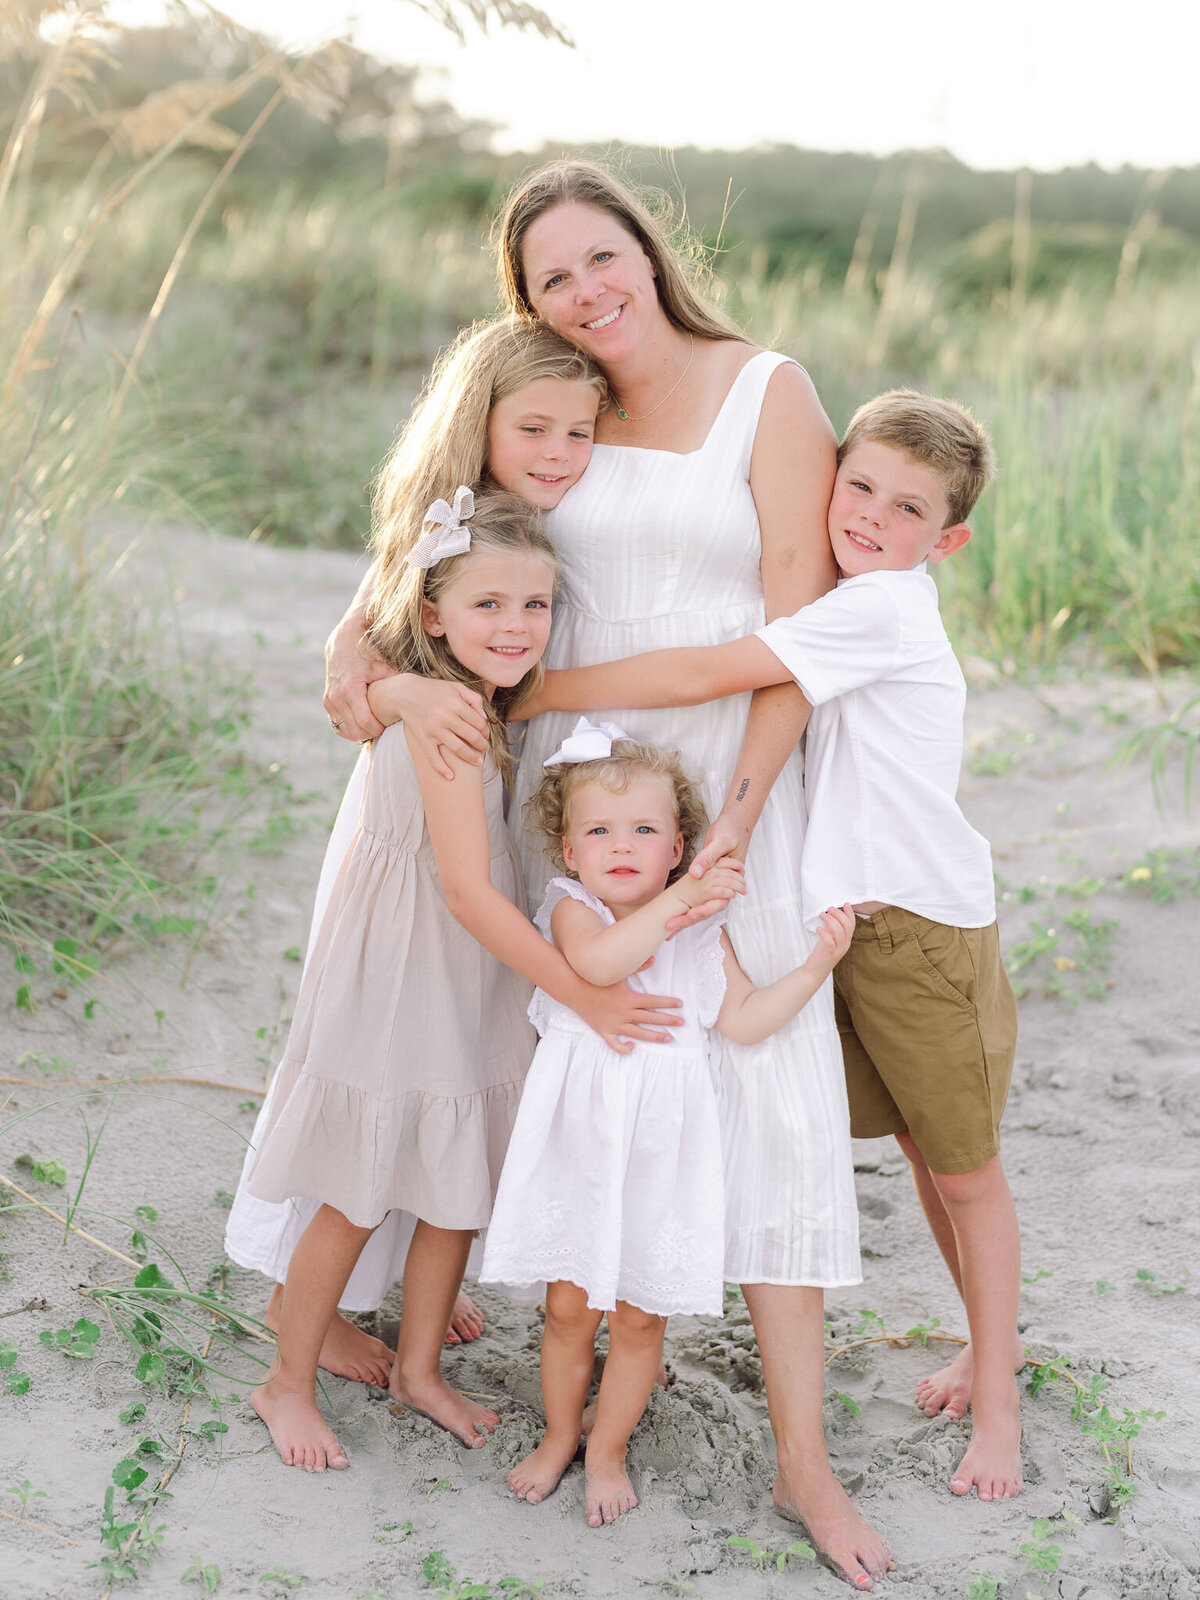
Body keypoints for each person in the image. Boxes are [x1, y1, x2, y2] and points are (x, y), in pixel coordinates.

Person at [326, 160, 892, 1592]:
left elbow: (800, 637)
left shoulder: (769, 391)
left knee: (763, 1096)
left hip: (725, 792)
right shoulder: (548, 410)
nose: (586, 292)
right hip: (568, 801)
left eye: (601, 257)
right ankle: (456, 1333)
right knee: (558, 1062)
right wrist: (360, 647)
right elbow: (436, 541)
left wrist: (742, 827)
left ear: (650, 248)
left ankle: (806, 1466)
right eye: (551, 279)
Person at [523, 389, 1024, 1504]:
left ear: (947, 540)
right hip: (851, 918)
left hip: (920, 924)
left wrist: (547, 691)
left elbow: (713, 673)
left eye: (908, 510)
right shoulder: (856, 592)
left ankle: (999, 1404)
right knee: (917, 1150)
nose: (871, 520)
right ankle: (984, 1349)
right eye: (860, 488)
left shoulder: (884, 603)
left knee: (967, 1171)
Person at [225, 317, 682, 1391]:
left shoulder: (486, 652)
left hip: (469, 933)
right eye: (535, 426)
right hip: (416, 934)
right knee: (367, 1154)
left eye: (580, 428)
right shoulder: (443, 691)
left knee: (451, 1144)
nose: (560, 449)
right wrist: (585, 991)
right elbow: (368, 662)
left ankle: (417, 1357)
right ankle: (293, 1362)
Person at [480, 723, 855, 1529]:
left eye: (645, 830)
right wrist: (682, 899)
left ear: (677, 844)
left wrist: (816, 966)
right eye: (600, 832)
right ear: (571, 852)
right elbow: (603, 966)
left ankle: (608, 1449)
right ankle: (557, 1436)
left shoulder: (699, 942)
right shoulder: (572, 911)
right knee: (568, 1309)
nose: (623, 846)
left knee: (642, 1317)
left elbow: (748, 1019)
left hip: (658, 1155)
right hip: (579, 1151)